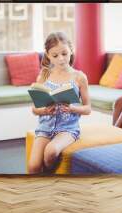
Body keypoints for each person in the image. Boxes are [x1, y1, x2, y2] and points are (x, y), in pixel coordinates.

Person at [28, 32, 91, 174]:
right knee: (33, 166)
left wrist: (73, 109)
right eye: (55, 56)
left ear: (71, 51)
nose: (61, 59)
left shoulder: (79, 77)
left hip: (67, 129)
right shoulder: (44, 75)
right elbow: (34, 109)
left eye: (64, 53)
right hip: (45, 127)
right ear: (48, 55)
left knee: (51, 151)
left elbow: (88, 109)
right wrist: (44, 111)